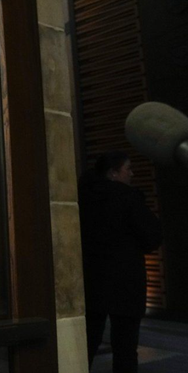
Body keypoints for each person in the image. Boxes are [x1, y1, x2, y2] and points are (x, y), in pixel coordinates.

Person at [80, 151, 162, 372]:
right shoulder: (128, 198)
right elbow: (152, 235)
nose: (132, 174)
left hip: (91, 280)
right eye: (128, 169)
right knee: (125, 346)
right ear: (113, 173)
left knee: (86, 342)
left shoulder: (82, 196)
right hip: (125, 281)